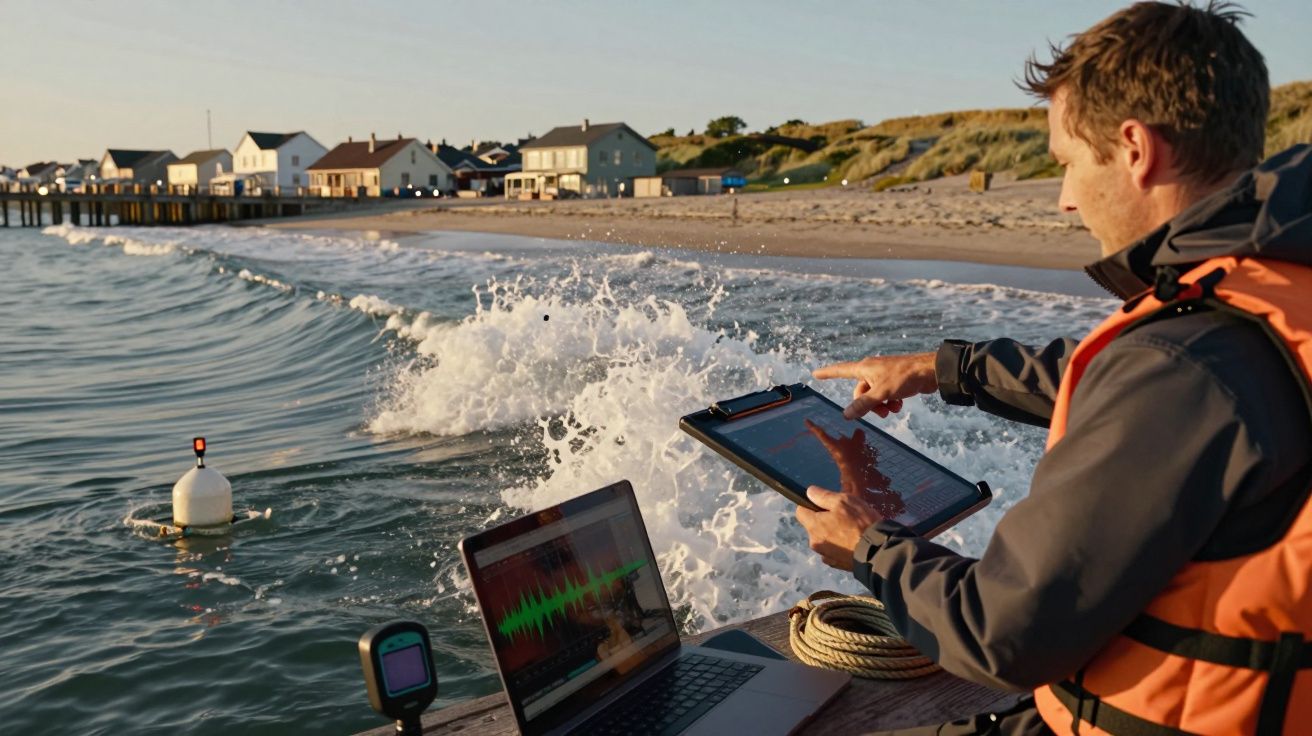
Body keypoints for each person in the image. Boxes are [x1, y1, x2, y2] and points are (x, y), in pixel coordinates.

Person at [794, 2, 1312, 734]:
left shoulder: (1185, 362)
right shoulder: (1275, 291)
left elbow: (1001, 631)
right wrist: (941, 368)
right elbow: (1149, 385)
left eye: (1067, 162)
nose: (1066, 199)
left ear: (1135, 149)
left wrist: (868, 546)